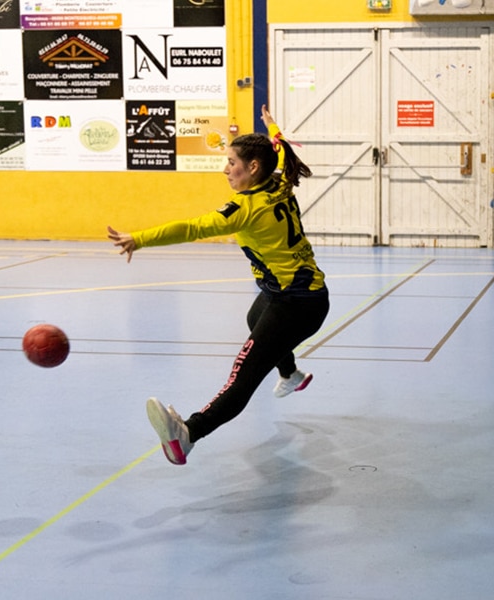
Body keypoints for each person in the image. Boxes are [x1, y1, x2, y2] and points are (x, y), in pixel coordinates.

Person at [107, 105, 330, 465]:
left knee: (242, 378)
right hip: (302, 295)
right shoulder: (279, 180)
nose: (225, 169)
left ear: (252, 167)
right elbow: (281, 145)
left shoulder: (245, 208)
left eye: (231, 162)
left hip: (296, 304)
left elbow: (191, 228)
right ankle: (290, 374)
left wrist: (140, 238)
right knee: (255, 316)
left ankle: (188, 435)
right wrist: (272, 125)